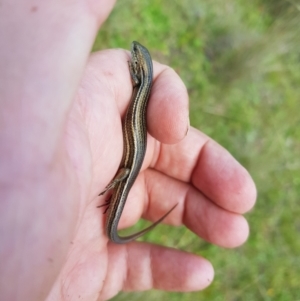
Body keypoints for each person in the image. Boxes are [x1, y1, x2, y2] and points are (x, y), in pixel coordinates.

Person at [0, 1, 256, 300]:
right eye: (135, 56)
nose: (134, 55)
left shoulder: (140, 83)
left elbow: (139, 81)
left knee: (122, 180)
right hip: (131, 157)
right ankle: (115, 210)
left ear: (139, 67)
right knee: (123, 185)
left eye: (137, 58)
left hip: (131, 163)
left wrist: (113, 181)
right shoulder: (140, 84)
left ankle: (115, 196)